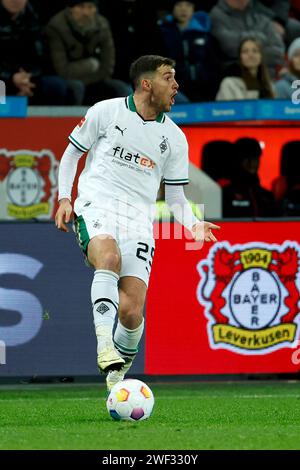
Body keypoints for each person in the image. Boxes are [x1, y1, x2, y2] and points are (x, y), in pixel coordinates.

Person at [55, 55, 220, 391]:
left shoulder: (174, 138)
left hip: (138, 220)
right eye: (169, 78)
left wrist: (193, 224)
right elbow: (73, 153)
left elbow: (174, 198)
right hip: (96, 203)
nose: (176, 86)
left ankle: (116, 376)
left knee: (131, 311)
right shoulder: (107, 111)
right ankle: (104, 345)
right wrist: (64, 198)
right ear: (147, 84)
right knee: (109, 257)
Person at [44, 0, 131, 105]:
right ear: (70, 9)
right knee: (77, 87)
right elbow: (62, 70)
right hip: (68, 79)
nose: (86, 12)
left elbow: (107, 67)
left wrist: (91, 79)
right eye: (81, 7)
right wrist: (91, 65)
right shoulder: (56, 26)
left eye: (90, 7)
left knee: (123, 89)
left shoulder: (102, 25)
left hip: (96, 78)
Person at [0, 0, 82, 105]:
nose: (16, 0)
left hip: (27, 78)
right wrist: (11, 78)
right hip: (4, 78)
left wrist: (27, 78)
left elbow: (41, 57)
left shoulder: (33, 19)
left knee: (57, 86)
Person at [159, 0, 220, 102]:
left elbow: (213, 63)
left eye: (188, 5)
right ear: (172, 9)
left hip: (204, 89)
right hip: (175, 88)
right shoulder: (163, 34)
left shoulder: (204, 34)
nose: (183, 9)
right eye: (179, 5)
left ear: (193, 9)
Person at [210, 0, 285, 78]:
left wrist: (249, 55)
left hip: (268, 80)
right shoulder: (216, 16)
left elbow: (278, 53)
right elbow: (228, 47)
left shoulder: (259, 13)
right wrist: (260, 38)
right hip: (235, 78)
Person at [222, 137, 277, 217]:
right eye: (247, 158)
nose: (253, 163)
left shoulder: (267, 196)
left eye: (256, 158)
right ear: (237, 160)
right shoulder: (224, 193)